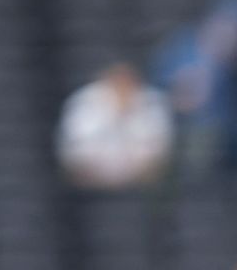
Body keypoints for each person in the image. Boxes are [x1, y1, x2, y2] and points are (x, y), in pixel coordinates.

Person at [56, 62, 173, 190]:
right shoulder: (84, 100)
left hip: (140, 183)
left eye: (127, 79)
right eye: (118, 79)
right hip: (91, 181)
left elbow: (159, 145)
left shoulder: (153, 100)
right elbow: (76, 145)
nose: (122, 85)